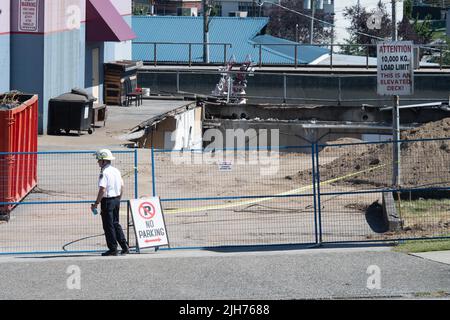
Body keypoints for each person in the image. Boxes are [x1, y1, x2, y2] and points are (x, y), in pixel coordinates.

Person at [91, 149, 129, 256]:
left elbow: (102, 189)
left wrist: (96, 203)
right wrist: (118, 199)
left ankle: (113, 249)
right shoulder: (116, 171)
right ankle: (124, 246)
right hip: (116, 199)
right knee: (116, 223)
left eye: (99, 160)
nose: (98, 162)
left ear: (104, 161)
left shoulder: (104, 172)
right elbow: (122, 187)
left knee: (108, 226)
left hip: (107, 201)